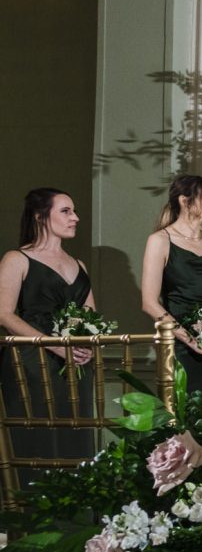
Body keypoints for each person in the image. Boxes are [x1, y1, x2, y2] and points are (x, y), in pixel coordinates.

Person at [0, 188, 99, 470]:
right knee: (36, 431)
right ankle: (31, 506)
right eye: (66, 211)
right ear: (41, 216)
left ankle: (74, 505)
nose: (75, 218)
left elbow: (91, 313)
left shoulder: (79, 264)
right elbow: (4, 314)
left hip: (75, 361)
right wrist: (53, 345)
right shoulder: (16, 259)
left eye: (74, 211)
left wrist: (87, 345)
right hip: (31, 360)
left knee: (76, 426)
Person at [140, 175, 202, 395]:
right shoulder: (160, 240)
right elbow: (149, 303)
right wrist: (194, 341)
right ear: (185, 201)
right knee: (186, 416)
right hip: (181, 346)